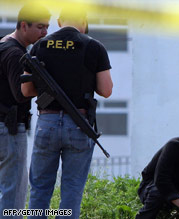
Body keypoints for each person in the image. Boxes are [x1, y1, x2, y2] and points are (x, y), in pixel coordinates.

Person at [21, 7, 113, 219]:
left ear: (60, 21)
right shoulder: (94, 47)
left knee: (40, 188)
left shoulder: (39, 46)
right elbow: (106, 90)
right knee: (72, 190)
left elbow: (26, 90)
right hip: (79, 125)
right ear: (84, 20)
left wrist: (47, 88)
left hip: (47, 122)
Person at [0, 3, 50, 217]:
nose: (44, 32)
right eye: (40, 27)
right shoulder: (14, 53)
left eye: (47, 27)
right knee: (14, 194)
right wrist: (43, 86)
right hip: (9, 129)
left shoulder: (3, 45)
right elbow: (20, 94)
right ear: (23, 25)